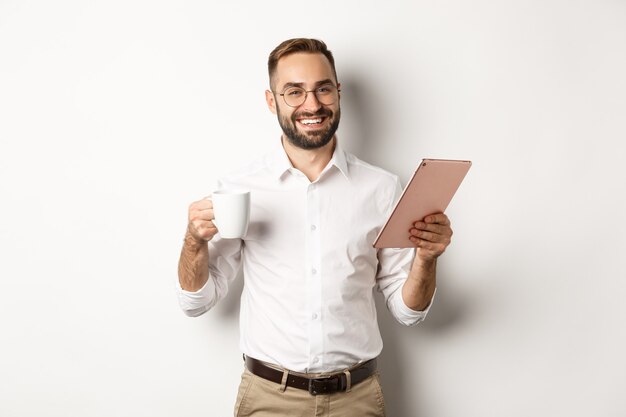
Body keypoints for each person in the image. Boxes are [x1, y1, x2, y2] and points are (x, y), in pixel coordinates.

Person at [177, 38, 453, 417]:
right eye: (294, 92)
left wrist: (427, 257)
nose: (312, 104)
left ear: (337, 94)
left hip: (356, 400)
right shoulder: (239, 190)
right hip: (269, 399)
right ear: (272, 101)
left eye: (323, 89)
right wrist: (193, 241)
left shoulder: (383, 189)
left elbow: (409, 312)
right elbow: (196, 302)